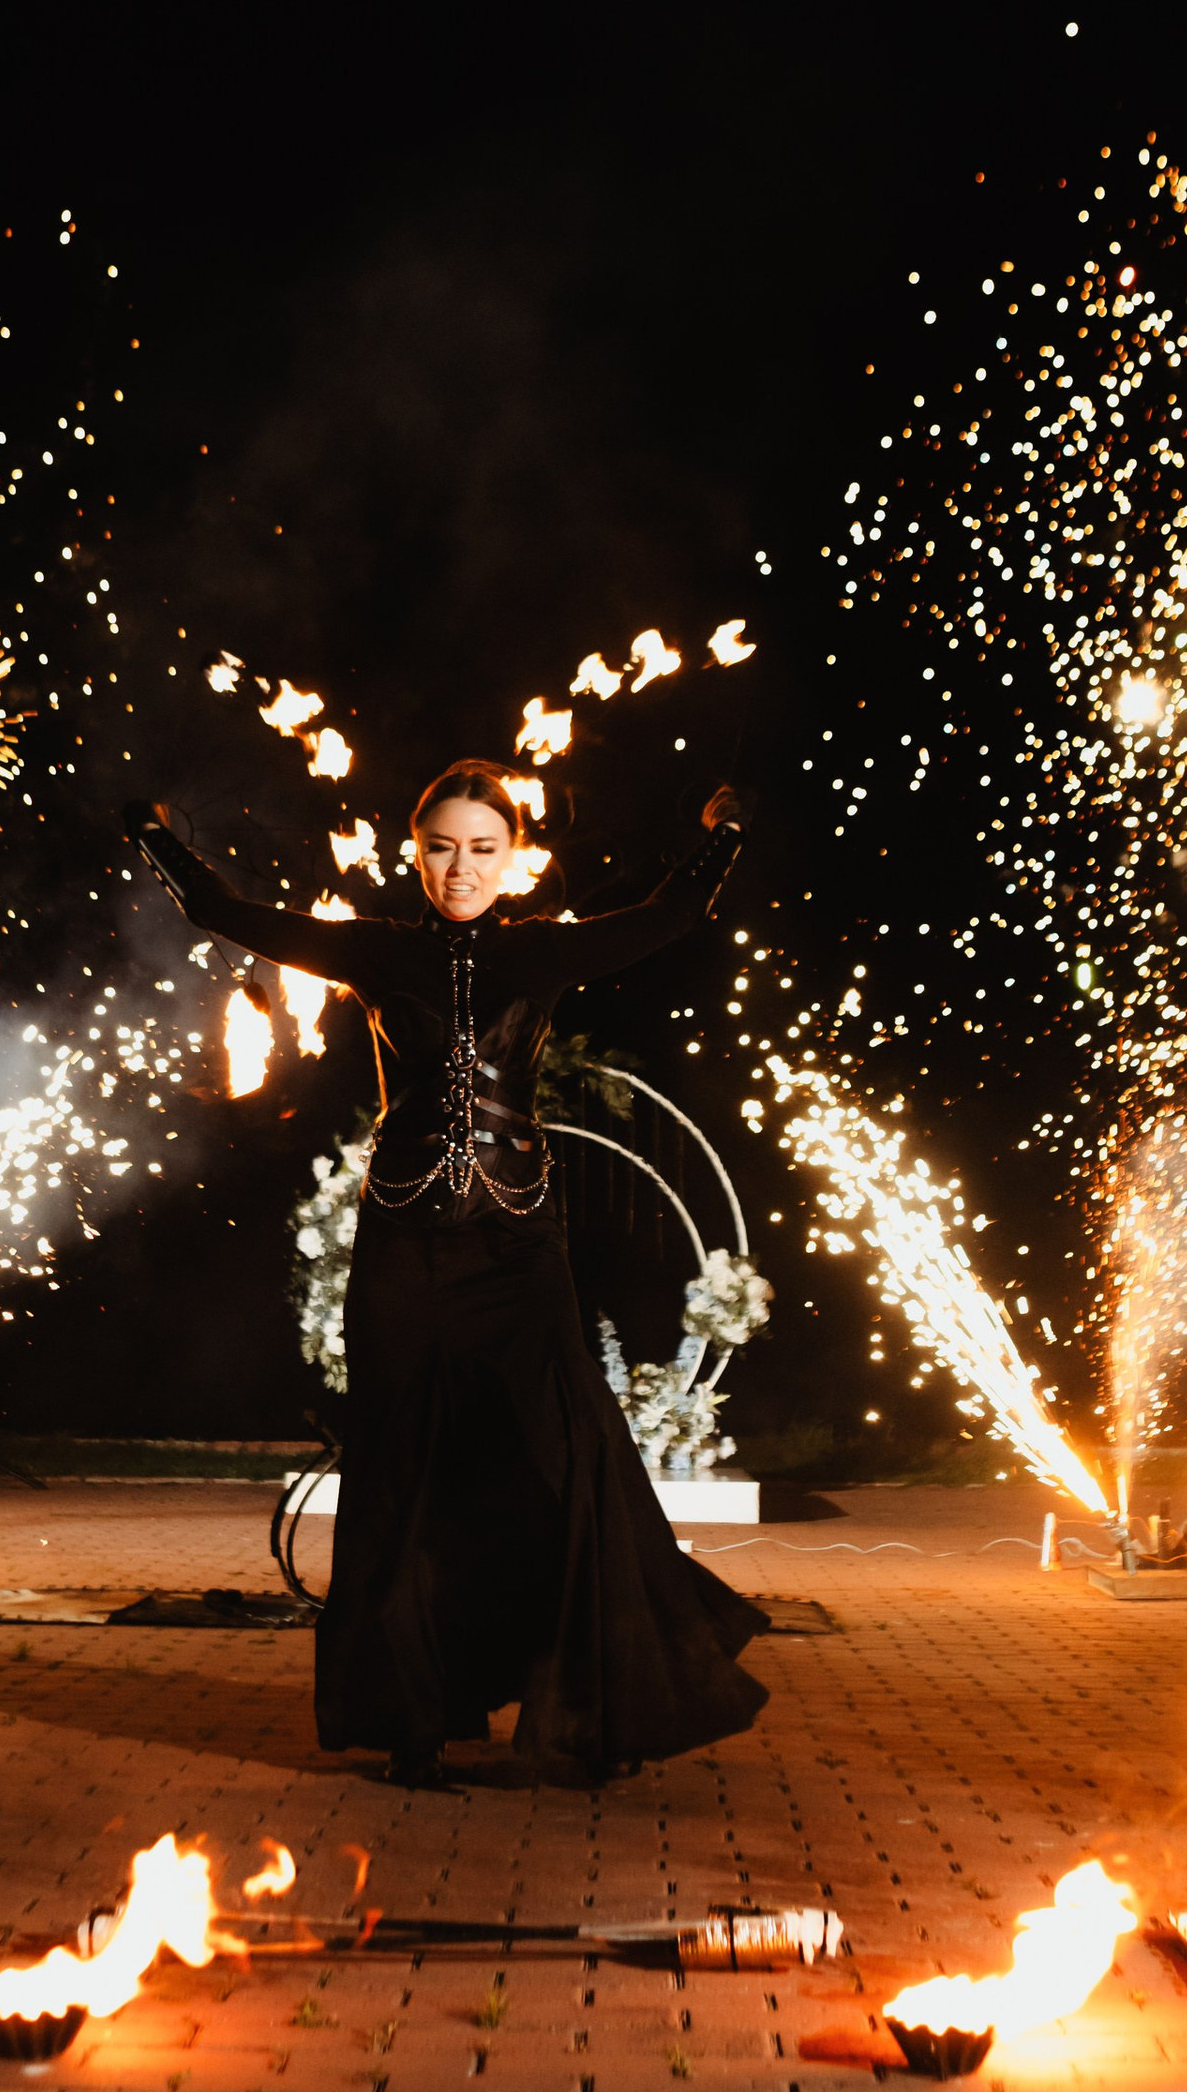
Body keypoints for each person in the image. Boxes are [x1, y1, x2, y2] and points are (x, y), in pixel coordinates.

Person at [125, 764, 769, 1785]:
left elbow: (672, 912)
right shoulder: (374, 952)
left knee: (570, 1461)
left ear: (513, 858)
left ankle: (599, 1708)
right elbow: (224, 910)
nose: (460, 868)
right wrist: (157, 833)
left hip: (518, 1250)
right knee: (403, 1473)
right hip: (407, 1250)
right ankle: (412, 1724)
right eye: (441, 848)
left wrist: (723, 831)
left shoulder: (545, 951)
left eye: (481, 849)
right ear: (415, 854)